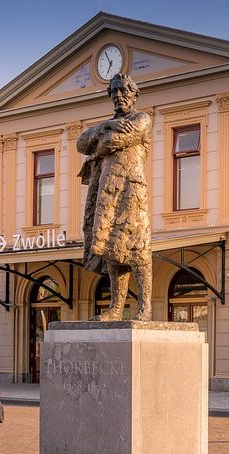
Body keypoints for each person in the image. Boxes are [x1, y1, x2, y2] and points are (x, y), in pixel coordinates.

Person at [77, 72, 152, 321]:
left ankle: (145, 307)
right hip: (108, 192)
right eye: (115, 92)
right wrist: (105, 125)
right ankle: (116, 308)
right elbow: (81, 143)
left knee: (137, 248)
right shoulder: (110, 123)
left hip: (131, 192)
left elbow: (112, 142)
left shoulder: (142, 119)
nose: (119, 96)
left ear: (134, 94)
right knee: (112, 248)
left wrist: (102, 137)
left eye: (124, 91)